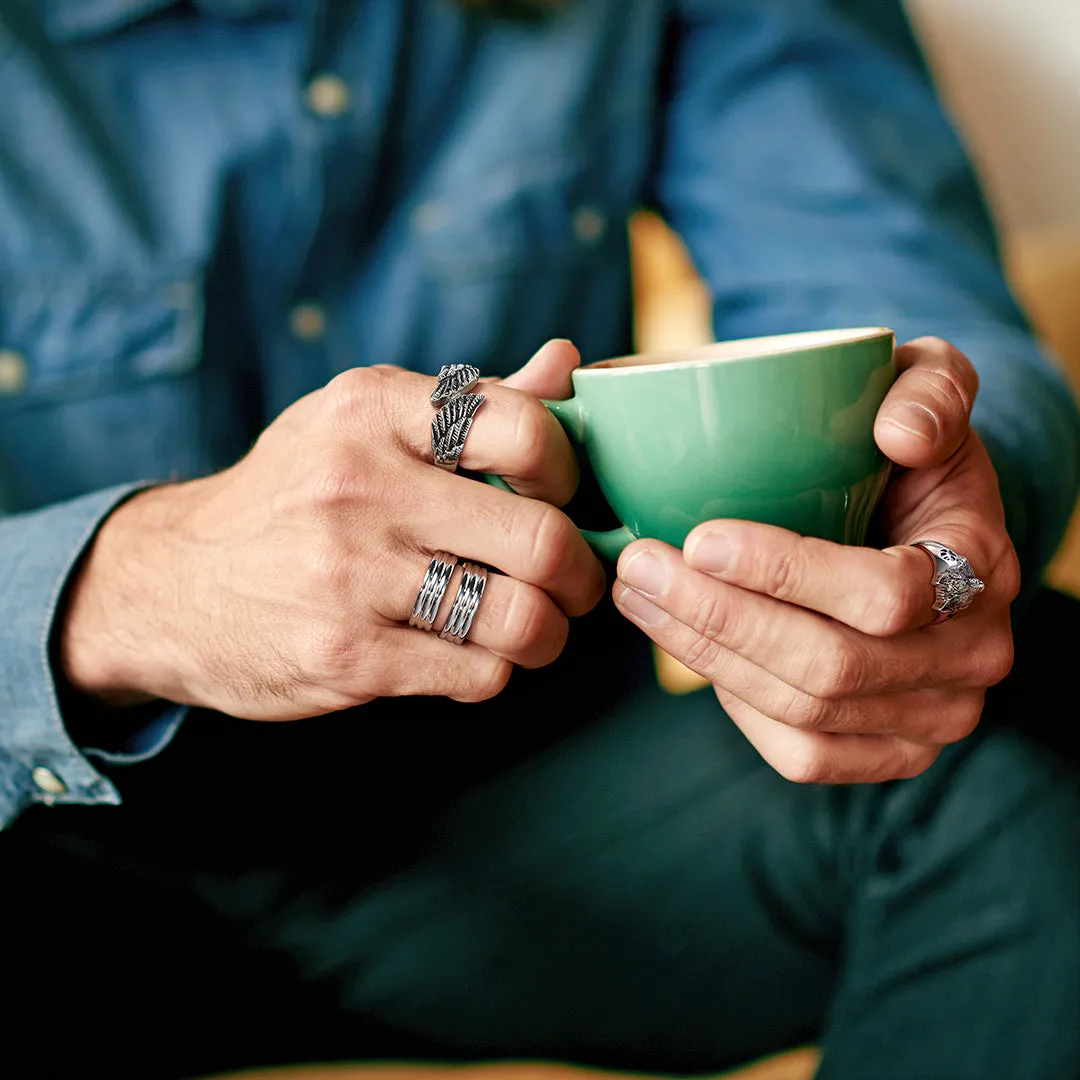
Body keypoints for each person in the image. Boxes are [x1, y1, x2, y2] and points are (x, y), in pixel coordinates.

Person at [2, 1, 1078, 1077]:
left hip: (553, 837)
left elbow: (887, 294)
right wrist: (126, 585)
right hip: (69, 876)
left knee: (1043, 700)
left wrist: (934, 524)